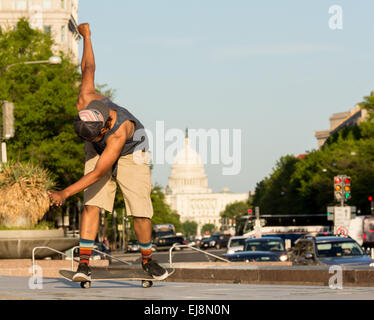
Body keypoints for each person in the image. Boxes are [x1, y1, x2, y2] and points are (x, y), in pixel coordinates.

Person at [49, 23, 168, 282]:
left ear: (105, 124)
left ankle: (148, 261)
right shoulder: (85, 98)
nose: (95, 139)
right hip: (99, 152)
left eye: (97, 135)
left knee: (140, 209)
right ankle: (83, 265)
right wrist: (87, 37)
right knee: (92, 203)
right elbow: (88, 68)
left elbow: (100, 171)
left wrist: (64, 192)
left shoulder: (119, 131)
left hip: (131, 152)